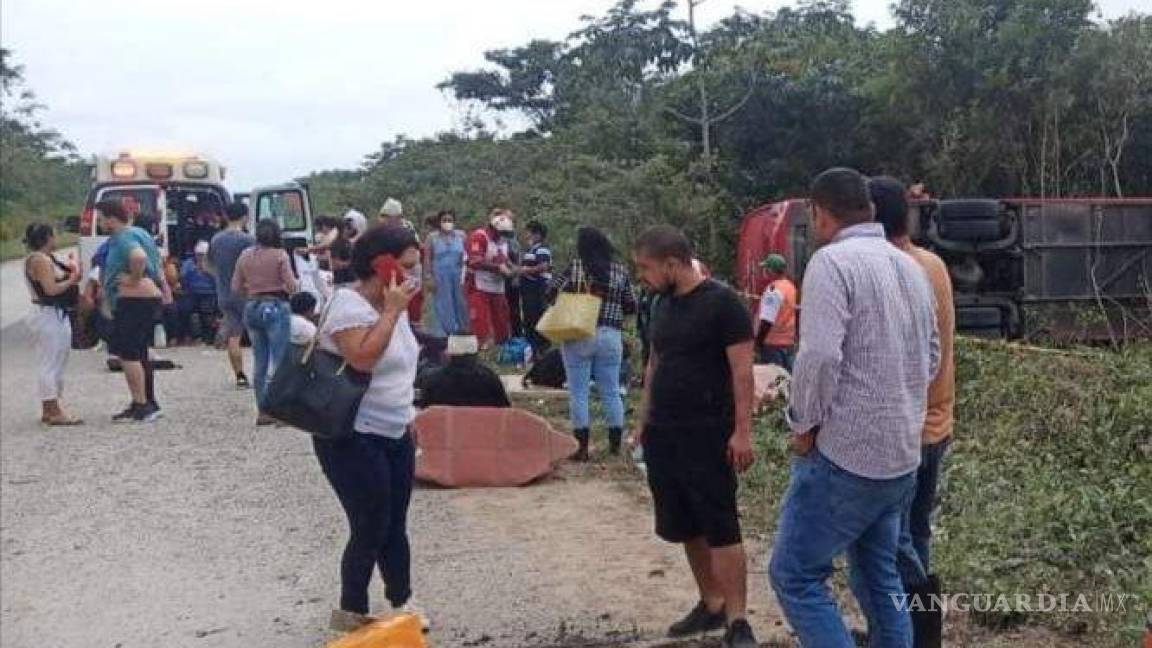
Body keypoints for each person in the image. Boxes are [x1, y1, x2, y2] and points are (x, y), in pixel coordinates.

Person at [768, 168, 939, 648]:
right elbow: (932, 355)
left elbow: (819, 356)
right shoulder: (910, 266)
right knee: (879, 579)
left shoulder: (832, 262)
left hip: (847, 457)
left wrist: (803, 423)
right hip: (900, 456)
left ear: (820, 213)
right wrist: (894, 402)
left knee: (796, 576)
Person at [630, 225, 758, 648]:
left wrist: (743, 432)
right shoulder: (661, 304)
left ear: (672, 263)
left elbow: (742, 373)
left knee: (720, 523)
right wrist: (642, 420)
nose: (642, 277)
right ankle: (711, 601)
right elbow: (654, 365)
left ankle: (738, 620)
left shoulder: (724, 304)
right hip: (664, 433)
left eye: (646, 268)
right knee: (684, 522)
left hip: (708, 432)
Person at [311, 225, 423, 632]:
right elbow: (362, 360)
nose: (414, 275)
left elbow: (402, 368)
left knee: (396, 521)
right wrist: (391, 311)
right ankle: (352, 611)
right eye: (407, 266)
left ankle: (402, 601)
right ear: (383, 264)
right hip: (352, 434)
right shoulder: (348, 307)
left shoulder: (398, 305)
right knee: (370, 522)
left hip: (394, 428)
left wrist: (409, 417)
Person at [870, 175, 955, 647]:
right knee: (915, 530)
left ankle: (914, 630)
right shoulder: (933, 263)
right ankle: (919, 629)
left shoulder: (892, 271)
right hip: (937, 423)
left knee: (891, 540)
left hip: (904, 430)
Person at [547, 226, 636, 460]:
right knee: (611, 391)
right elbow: (631, 305)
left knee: (579, 392)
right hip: (610, 336)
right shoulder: (620, 271)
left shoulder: (575, 268)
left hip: (578, 333)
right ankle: (615, 447)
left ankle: (581, 449)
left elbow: (550, 291)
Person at [98, 199, 165, 423]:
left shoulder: (124, 237)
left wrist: (133, 278)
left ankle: (141, 404)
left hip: (132, 300)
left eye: (101, 219)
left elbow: (139, 257)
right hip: (147, 299)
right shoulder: (140, 232)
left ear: (111, 219)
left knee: (128, 353)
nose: (99, 223)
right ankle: (149, 400)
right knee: (140, 351)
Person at [232, 219, 298, 425]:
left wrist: (252, 290)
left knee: (259, 361)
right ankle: (281, 411)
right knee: (279, 361)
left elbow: (235, 286)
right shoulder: (280, 255)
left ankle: (263, 410)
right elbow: (292, 286)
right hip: (276, 305)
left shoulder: (245, 256)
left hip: (252, 306)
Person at [23, 223, 83, 426]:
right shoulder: (39, 260)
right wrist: (71, 280)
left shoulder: (46, 259)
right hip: (47, 313)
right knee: (51, 361)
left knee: (56, 359)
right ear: (47, 237)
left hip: (53, 313)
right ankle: (53, 408)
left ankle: (50, 407)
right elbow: (50, 289)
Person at [207, 202, 256, 388]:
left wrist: (220, 277)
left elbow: (207, 264)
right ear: (244, 217)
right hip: (246, 293)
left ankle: (240, 375)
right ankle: (261, 373)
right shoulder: (248, 240)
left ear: (226, 216)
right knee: (255, 334)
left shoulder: (216, 240)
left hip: (224, 292)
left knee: (233, 336)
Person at [465, 209, 516, 350]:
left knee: (501, 317)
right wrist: (497, 268)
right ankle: (481, 346)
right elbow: (475, 261)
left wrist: (512, 269)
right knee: (480, 318)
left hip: (497, 286)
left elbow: (504, 258)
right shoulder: (479, 237)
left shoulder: (503, 241)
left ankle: (502, 346)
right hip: (479, 285)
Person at [415, 335, 511, 408]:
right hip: (482, 432)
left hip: (445, 433)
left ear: (449, 353)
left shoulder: (433, 381)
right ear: (475, 353)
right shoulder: (490, 379)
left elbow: (424, 412)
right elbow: (504, 411)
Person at [378, 198, 424, 324]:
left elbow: (411, 259)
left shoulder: (406, 230)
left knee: (411, 314)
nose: (383, 220)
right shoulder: (386, 231)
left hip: (409, 277)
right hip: (397, 277)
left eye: (386, 217)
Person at [424, 209, 469, 336]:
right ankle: (444, 333)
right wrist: (429, 277)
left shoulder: (461, 236)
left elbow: (466, 256)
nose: (447, 222)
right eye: (444, 220)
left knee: (460, 302)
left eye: (450, 220)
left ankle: (462, 329)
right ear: (439, 222)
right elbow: (427, 259)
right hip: (440, 275)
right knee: (443, 303)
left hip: (458, 274)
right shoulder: (432, 238)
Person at [754, 254, 797, 371]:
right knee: (786, 380)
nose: (765, 271)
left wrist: (758, 343)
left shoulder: (773, 290)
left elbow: (767, 320)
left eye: (766, 268)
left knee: (774, 382)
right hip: (788, 343)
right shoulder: (790, 287)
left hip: (772, 344)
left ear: (772, 270)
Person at [519, 220, 552, 354]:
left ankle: (541, 345)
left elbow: (543, 266)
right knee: (529, 317)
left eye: (529, 232)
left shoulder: (542, 249)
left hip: (537, 287)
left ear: (537, 235)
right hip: (528, 288)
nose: (527, 235)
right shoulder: (531, 250)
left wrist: (525, 271)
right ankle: (532, 344)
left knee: (536, 315)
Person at [179, 241, 219, 345]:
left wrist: (208, 271)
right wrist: (194, 270)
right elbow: (183, 277)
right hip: (191, 292)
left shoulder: (213, 264)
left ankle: (207, 338)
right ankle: (188, 336)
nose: (200, 257)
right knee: (185, 310)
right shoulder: (188, 263)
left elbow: (218, 280)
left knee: (207, 314)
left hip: (209, 293)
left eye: (203, 255)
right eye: (199, 255)